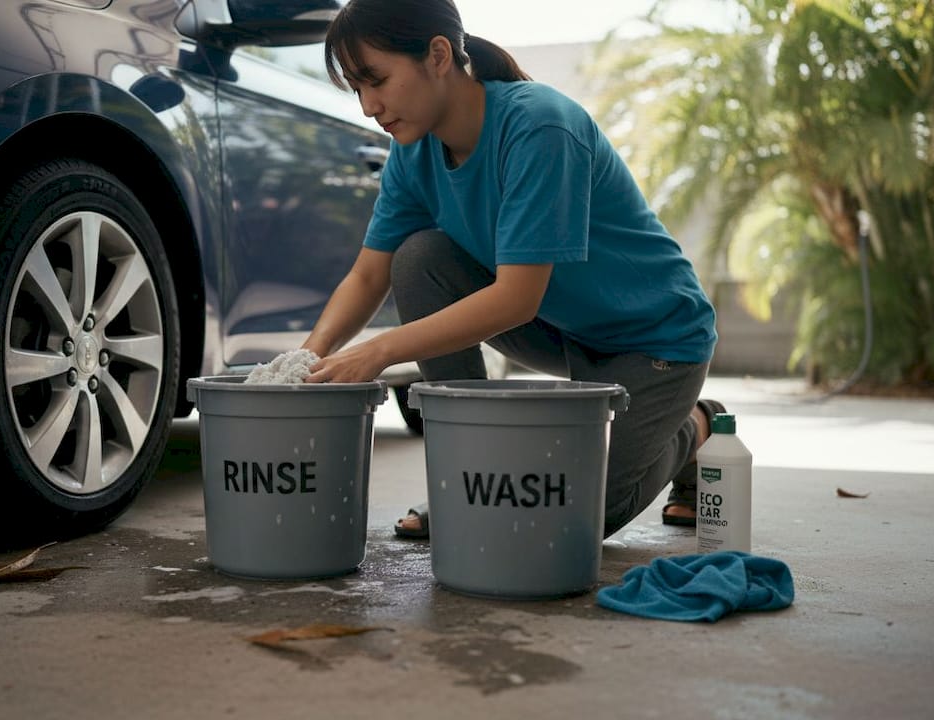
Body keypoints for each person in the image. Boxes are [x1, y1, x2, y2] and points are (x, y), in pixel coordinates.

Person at [300, 0, 722, 536]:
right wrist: (304, 364)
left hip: (654, 344)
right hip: (560, 331)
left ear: (437, 55)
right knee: (419, 258)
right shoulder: (413, 152)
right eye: (357, 90)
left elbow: (516, 298)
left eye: (376, 80)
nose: (367, 107)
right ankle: (467, 484)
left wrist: (379, 352)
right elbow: (367, 276)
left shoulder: (540, 126)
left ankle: (695, 424)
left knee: (573, 517)